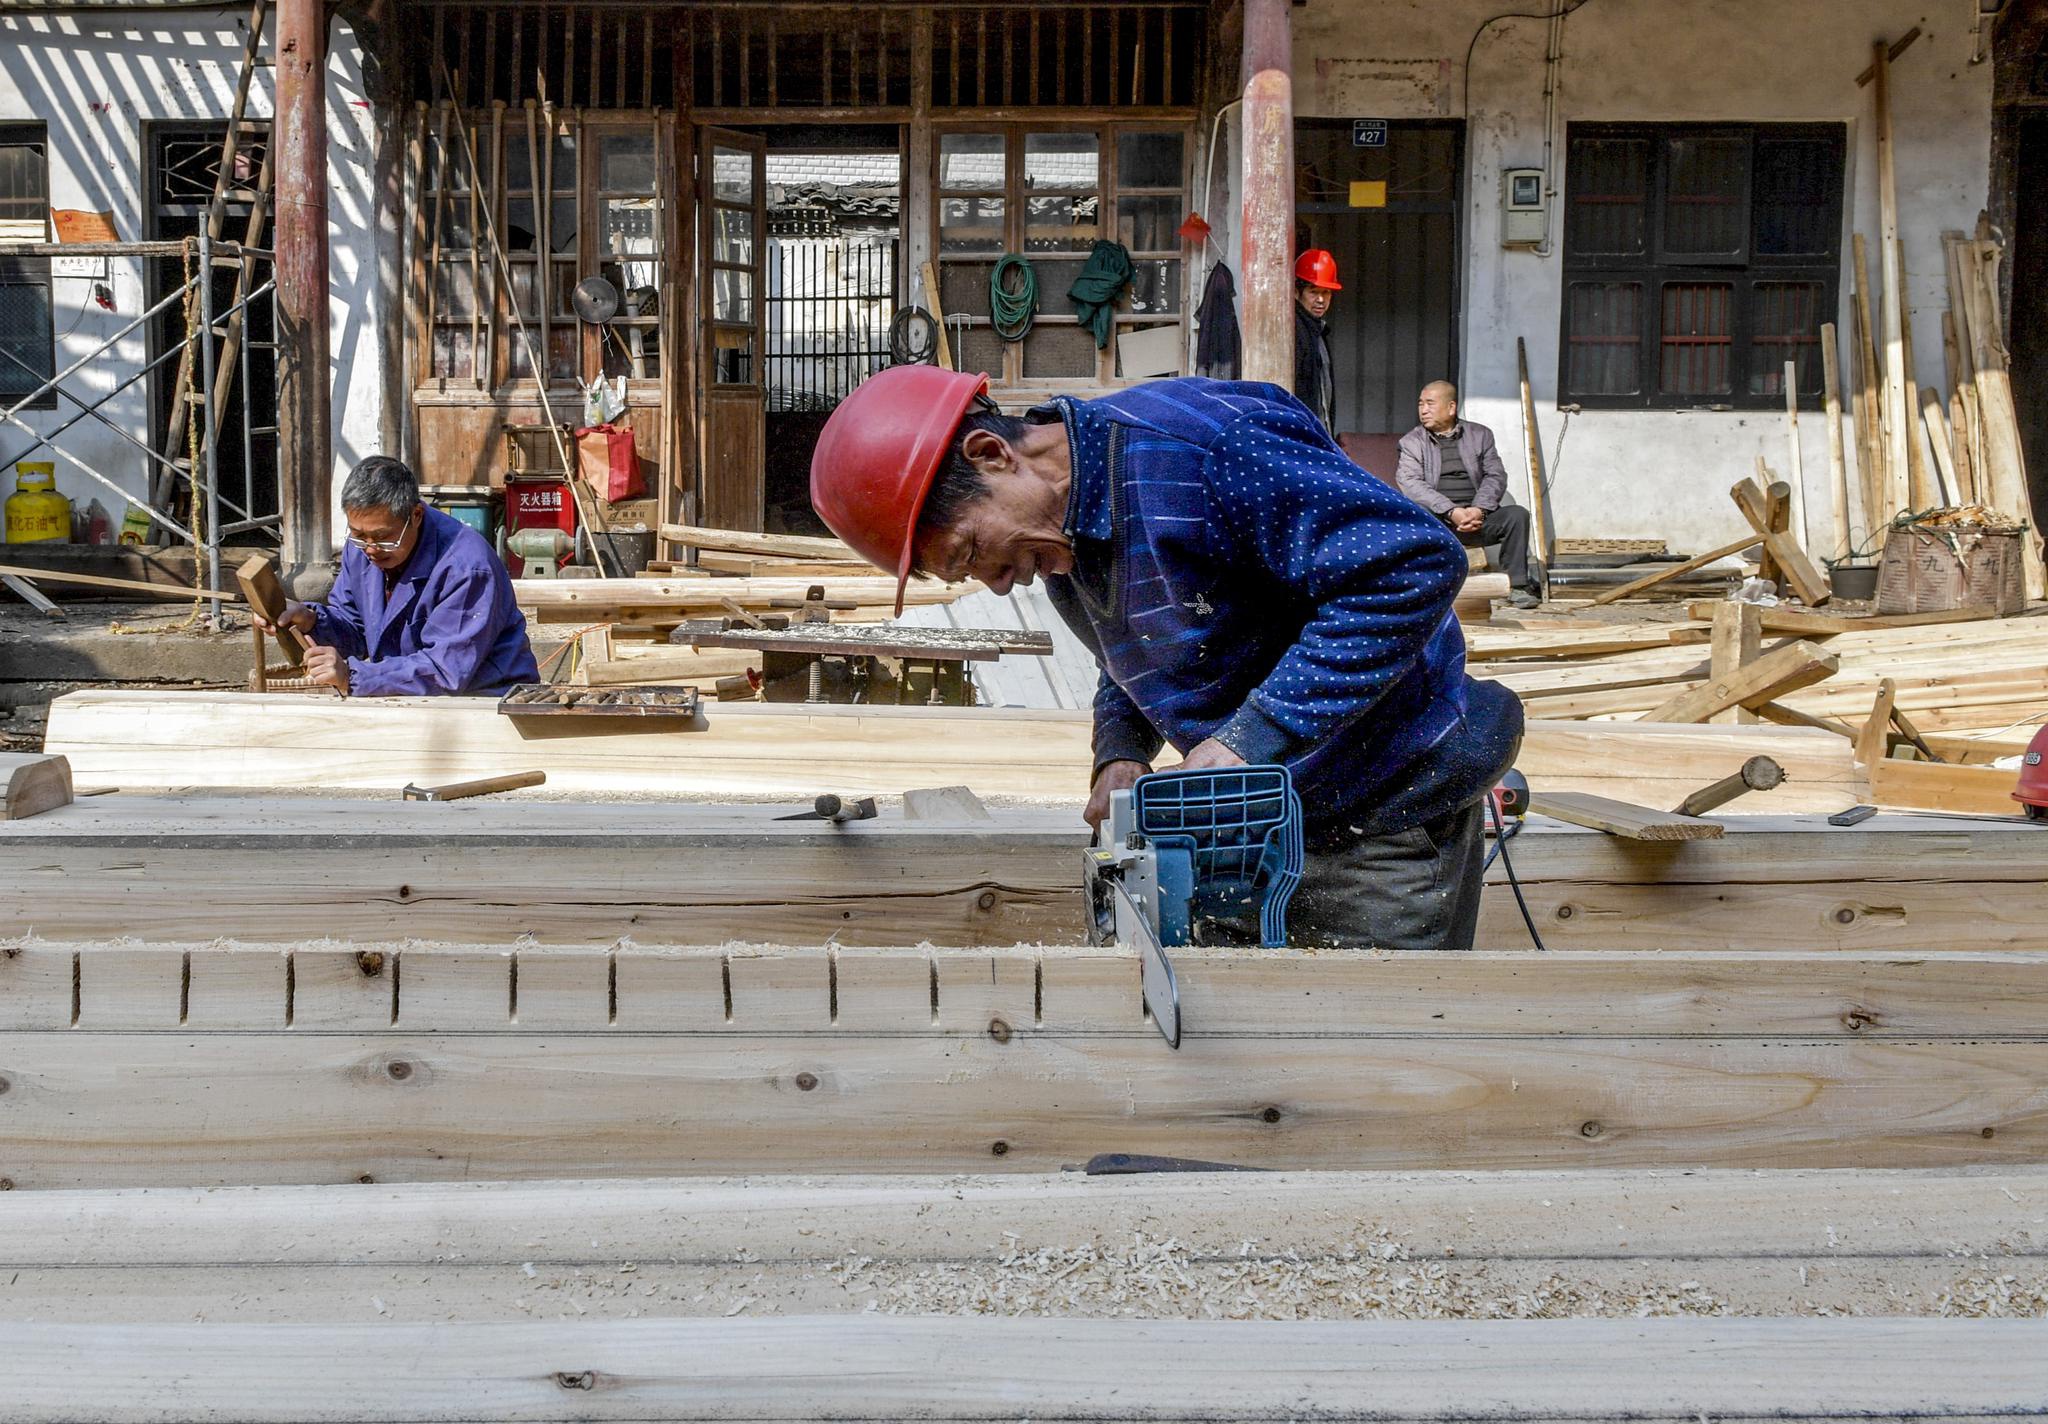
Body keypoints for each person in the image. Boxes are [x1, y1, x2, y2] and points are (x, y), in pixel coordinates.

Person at [808, 366, 1525, 952]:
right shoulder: (1062, 532)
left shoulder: (1206, 450)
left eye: (971, 550)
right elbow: (1143, 637)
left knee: (1364, 1074)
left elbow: (1412, 563)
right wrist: (1120, 748)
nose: (997, 582)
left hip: (1384, 801)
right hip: (1260, 820)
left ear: (993, 456)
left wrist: (1251, 738)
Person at [256, 455, 539, 696]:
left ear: (416, 515)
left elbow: (445, 670)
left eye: (382, 537)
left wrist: (353, 677)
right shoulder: (362, 548)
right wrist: (310, 620)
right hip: (408, 696)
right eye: (358, 535)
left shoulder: (467, 567)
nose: (371, 548)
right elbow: (355, 631)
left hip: (487, 699)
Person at [1396, 381, 1543, 610]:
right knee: (1418, 513)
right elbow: (1411, 483)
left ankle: (1517, 586)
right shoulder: (1412, 442)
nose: (1423, 410)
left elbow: (1496, 476)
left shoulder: (1480, 435)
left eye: (1430, 404)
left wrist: (1478, 510)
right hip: (1441, 521)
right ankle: (1423, 587)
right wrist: (1451, 510)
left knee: (1517, 515)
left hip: (1477, 519)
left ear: (1451, 407)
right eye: (1421, 404)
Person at [1292, 249, 1340, 436]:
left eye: (1326, 292)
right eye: (1313, 292)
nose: (1321, 300)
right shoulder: (1295, 329)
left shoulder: (1317, 331)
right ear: (1297, 292)